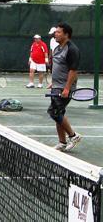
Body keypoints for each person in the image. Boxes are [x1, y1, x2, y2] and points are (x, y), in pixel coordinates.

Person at [48, 22, 82, 152]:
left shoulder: (72, 49)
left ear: (66, 34)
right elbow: (58, 67)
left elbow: (73, 71)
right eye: (55, 32)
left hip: (64, 87)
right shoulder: (57, 48)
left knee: (54, 112)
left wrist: (67, 88)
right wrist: (53, 81)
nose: (55, 34)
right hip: (56, 85)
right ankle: (62, 142)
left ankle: (73, 136)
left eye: (58, 32)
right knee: (59, 114)